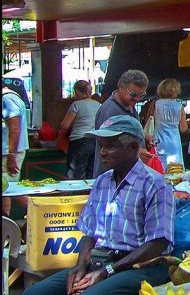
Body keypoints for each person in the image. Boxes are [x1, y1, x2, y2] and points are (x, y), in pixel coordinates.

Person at [23, 115, 174, 295]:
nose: (102, 151)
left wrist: (107, 271)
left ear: (133, 147)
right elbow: (90, 233)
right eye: (101, 145)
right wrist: (80, 267)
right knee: (35, 293)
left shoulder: (154, 184)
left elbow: (158, 243)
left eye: (110, 145)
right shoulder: (102, 181)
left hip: (141, 265)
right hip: (102, 261)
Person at [92, 69, 148, 178]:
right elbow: (107, 144)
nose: (137, 99)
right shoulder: (110, 110)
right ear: (120, 87)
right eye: (133, 94)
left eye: (141, 95)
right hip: (111, 177)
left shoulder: (129, 106)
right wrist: (136, 153)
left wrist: (144, 138)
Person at [60, 80, 101, 180]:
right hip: (95, 142)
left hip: (79, 142)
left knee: (76, 175)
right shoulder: (99, 105)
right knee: (91, 174)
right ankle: (89, 194)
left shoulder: (76, 105)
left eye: (75, 92)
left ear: (78, 91)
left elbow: (64, 126)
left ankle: (76, 194)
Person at [151, 79, 188, 171]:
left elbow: (149, 121)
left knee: (159, 166)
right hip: (174, 140)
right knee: (175, 168)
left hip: (158, 139)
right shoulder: (180, 106)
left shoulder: (155, 104)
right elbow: (183, 128)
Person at [2, 86, 29, 216]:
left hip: (9, 154)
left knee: (8, 189)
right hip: (9, 152)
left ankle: (41, 210)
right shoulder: (10, 98)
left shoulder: (7, 99)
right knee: (6, 190)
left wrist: (11, 155)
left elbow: (14, 129)